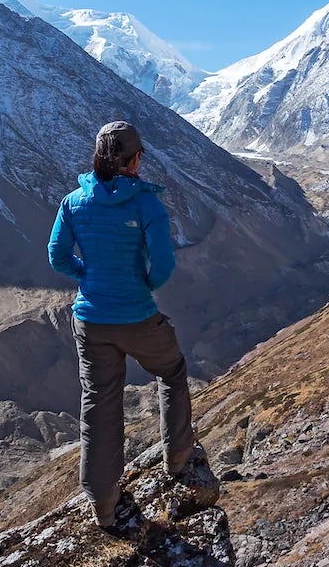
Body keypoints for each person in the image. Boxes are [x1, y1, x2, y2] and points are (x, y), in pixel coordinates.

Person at [48, 119, 220, 536]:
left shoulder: (74, 202)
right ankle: (178, 457)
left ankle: (104, 507)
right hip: (137, 315)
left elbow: (57, 255)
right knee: (173, 371)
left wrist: (89, 278)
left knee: (99, 406)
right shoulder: (146, 204)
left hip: (90, 320)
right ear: (134, 159)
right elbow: (163, 264)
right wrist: (142, 286)